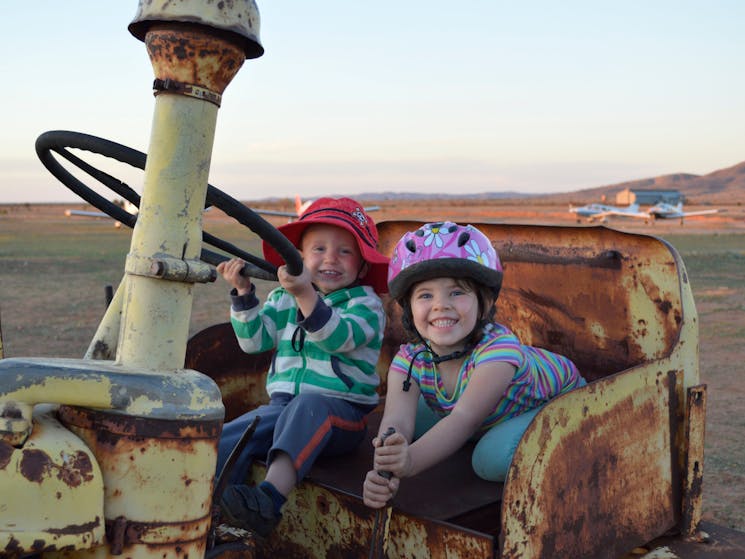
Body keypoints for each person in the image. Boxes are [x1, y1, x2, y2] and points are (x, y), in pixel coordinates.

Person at [363, 221, 586, 509]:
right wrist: (386, 469)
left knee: (489, 459)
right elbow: (396, 421)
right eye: (425, 295)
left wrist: (411, 461)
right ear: (409, 309)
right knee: (410, 423)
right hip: (491, 412)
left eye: (457, 292)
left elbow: (463, 419)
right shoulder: (411, 357)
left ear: (484, 302)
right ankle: (481, 435)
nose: (441, 305)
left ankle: (574, 449)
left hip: (557, 403)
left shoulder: (498, 349)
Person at [216, 197, 389, 536]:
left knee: (309, 406)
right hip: (283, 407)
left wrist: (305, 294)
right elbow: (254, 341)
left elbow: (335, 337)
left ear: (363, 266)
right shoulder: (283, 298)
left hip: (342, 414)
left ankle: (267, 500)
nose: (330, 259)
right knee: (234, 433)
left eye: (344, 252)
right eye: (318, 249)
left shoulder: (366, 305)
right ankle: (218, 505)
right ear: (297, 258)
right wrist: (243, 294)